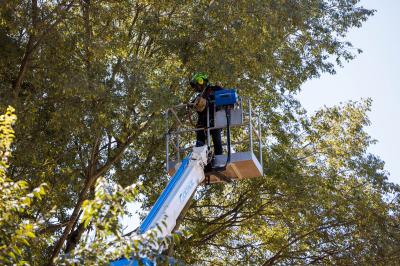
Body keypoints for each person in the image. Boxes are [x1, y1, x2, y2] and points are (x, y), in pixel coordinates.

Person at [189, 73, 223, 156]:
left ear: (201, 81)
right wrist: (190, 104)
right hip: (202, 122)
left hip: (214, 120)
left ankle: (219, 156)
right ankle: (200, 157)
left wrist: (220, 89)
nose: (197, 88)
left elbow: (223, 96)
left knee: (217, 140)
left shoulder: (214, 89)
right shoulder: (199, 95)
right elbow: (193, 104)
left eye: (197, 85)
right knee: (200, 141)